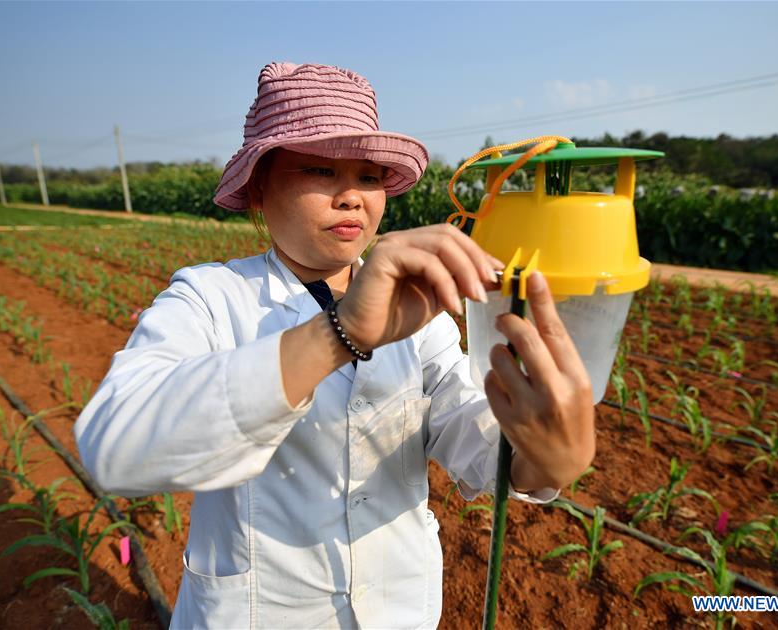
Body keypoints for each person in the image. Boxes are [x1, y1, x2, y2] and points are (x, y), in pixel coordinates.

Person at [74, 62, 595, 630]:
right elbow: (115, 448)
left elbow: (469, 429)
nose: (352, 197)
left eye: (370, 177)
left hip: (398, 613)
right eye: (321, 170)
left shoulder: (417, 309)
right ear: (258, 187)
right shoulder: (212, 297)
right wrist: (336, 334)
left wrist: (536, 458)